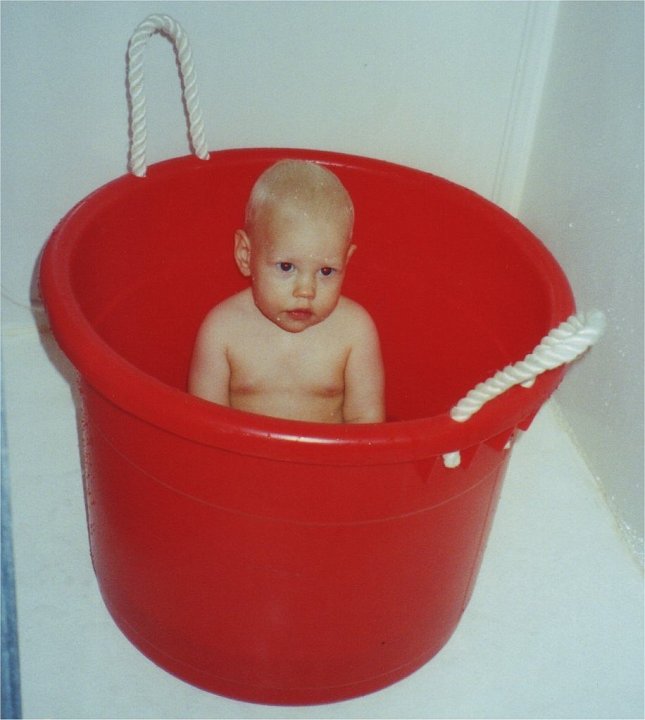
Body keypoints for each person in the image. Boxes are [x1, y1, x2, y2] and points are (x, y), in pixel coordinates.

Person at [188, 159, 385, 424]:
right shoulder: (222, 330)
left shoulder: (355, 330)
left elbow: (367, 422)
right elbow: (204, 425)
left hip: (327, 465)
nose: (306, 290)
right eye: (286, 266)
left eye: (326, 271)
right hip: (240, 463)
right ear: (246, 255)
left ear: (346, 262)